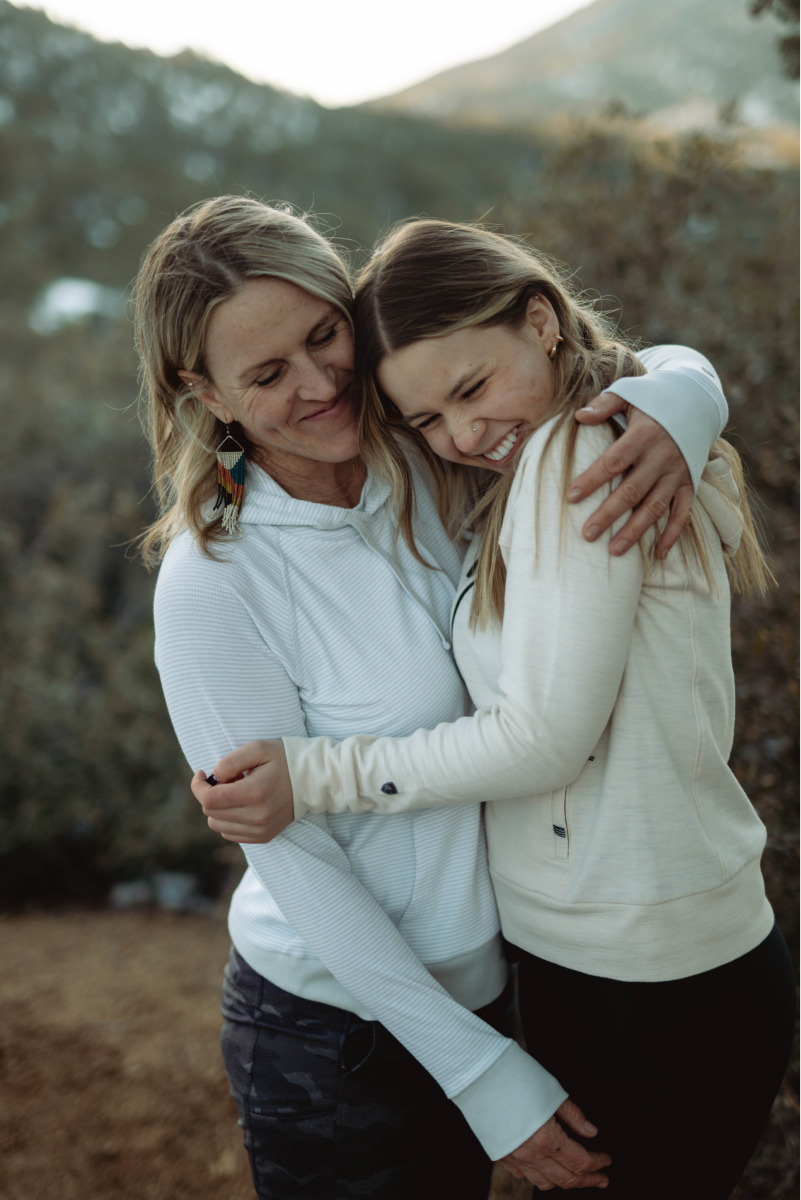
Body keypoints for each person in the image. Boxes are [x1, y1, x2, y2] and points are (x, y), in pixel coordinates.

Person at [137, 196, 730, 1198]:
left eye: (326, 336)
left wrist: (684, 399)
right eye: (268, 374)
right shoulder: (214, 578)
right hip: (336, 1037)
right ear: (206, 392)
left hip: (513, 985)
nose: (322, 382)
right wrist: (477, 1071)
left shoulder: (433, 453)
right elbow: (293, 858)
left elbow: (604, 353)